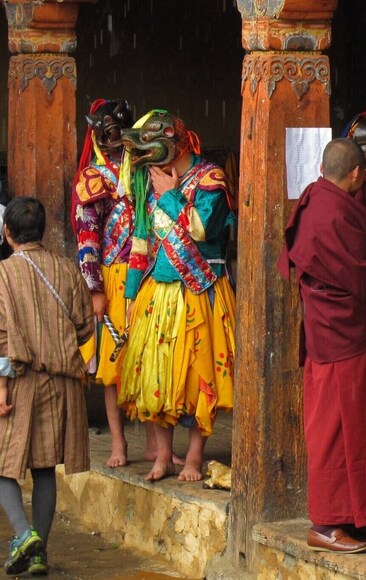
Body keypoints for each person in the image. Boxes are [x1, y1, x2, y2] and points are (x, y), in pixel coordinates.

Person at [278, 138, 366, 554]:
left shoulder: (322, 200)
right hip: (338, 335)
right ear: (356, 173)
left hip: (348, 330)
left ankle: (361, 515)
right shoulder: (330, 211)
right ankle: (326, 524)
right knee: (333, 430)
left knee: (365, 425)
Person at [116, 110, 236, 483]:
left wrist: (171, 196)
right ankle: (164, 457)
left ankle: (194, 459)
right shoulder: (148, 182)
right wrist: (131, 293)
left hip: (200, 288)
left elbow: (202, 228)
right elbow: (141, 239)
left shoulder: (211, 179)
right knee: (157, 375)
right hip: (157, 290)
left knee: (199, 379)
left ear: (171, 142)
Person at [0, 197, 94, 575]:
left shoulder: (4, 273)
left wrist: (1, 388)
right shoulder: (68, 269)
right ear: (42, 230)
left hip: (20, 381)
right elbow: (85, 326)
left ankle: (25, 535)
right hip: (62, 382)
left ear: (7, 232)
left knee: (3, 464)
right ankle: (38, 554)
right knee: (44, 467)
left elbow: (1, 337)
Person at [70, 98, 139, 468]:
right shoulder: (93, 178)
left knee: (147, 357)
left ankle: (157, 446)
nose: (113, 138)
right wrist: (94, 289)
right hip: (112, 277)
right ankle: (118, 441)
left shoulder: (143, 170)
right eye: (107, 131)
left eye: (118, 131)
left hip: (145, 275)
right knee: (113, 371)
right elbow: (87, 239)